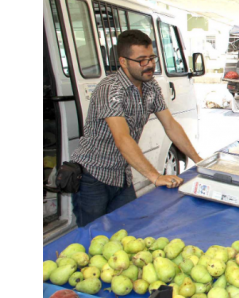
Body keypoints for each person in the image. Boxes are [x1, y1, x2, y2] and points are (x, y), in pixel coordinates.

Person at [71, 30, 203, 228]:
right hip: (93, 177)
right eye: (141, 60)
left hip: (121, 174)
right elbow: (122, 138)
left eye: (151, 58)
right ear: (123, 62)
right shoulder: (111, 89)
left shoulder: (151, 86)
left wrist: (199, 161)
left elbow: (170, 125)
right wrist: (155, 177)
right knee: (92, 237)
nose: (149, 65)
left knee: (129, 231)